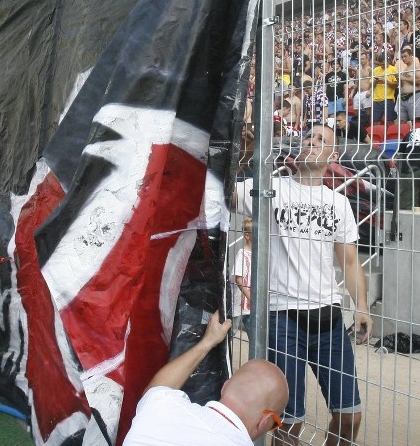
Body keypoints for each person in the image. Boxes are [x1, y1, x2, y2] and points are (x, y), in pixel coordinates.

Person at [236, 123, 372, 445]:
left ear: (333, 156)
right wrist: (243, 156)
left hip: (330, 318)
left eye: (321, 139)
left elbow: (350, 262)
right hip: (283, 317)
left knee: (350, 415)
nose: (312, 141)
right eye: (308, 137)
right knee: (288, 422)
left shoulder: (339, 204)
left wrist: (362, 307)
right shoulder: (272, 188)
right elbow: (225, 194)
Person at [125, 313, 289, 446]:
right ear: (265, 421)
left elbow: (157, 387)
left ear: (225, 387)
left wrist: (207, 342)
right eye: (274, 424)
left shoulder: (161, 408)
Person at [233, 217, 253, 332]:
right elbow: (239, 279)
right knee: (232, 330)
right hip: (242, 302)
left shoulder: (258, 253)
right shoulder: (242, 254)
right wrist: (250, 297)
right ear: (247, 236)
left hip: (251, 307)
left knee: (254, 334)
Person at [394, 46, 420, 124]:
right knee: (401, 122)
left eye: (405, 56)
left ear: (411, 56)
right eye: (402, 57)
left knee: (415, 121)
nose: (403, 58)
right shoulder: (406, 69)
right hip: (403, 98)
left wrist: (404, 78)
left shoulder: (416, 66)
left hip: (413, 96)